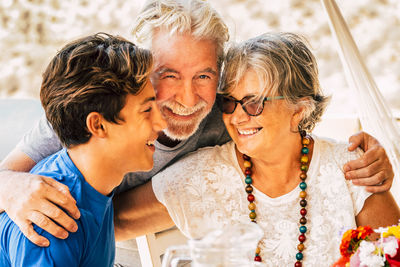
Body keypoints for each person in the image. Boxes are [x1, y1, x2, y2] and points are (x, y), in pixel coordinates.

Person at [0, 0, 394, 258]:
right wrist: (12, 188)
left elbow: (287, 125)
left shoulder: (225, 116)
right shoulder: (87, 115)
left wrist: (373, 157)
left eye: (204, 76)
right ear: (140, 71)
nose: (187, 97)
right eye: (167, 75)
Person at [150, 32, 400, 266]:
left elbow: (393, 254)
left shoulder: (351, 168)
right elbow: (115, 218)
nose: (237, 117)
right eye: (229, 102)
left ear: (299, 111)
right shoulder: (201, 174)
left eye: (254, 103)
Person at [0, 33, 166, 266]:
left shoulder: (94, 184)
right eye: (146, 111)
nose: (162, 123)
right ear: (98, 125)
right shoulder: (55, 221)